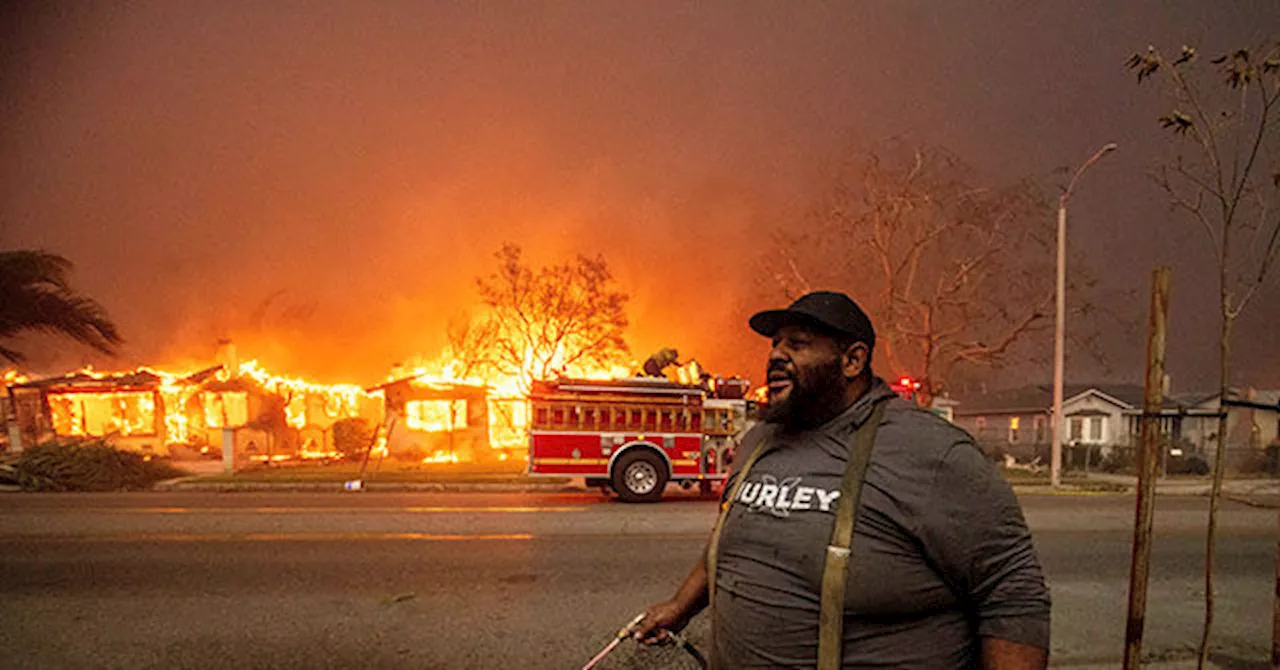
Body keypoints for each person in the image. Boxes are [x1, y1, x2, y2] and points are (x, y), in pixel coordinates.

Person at [634, 291, 1050, 669]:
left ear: (853, 360)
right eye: (775, 344)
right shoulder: (760, 440)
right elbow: (733, 536)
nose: (776, 356)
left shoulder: (930, 452)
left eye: (796, 344)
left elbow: (1011, 593)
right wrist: (680, 607)